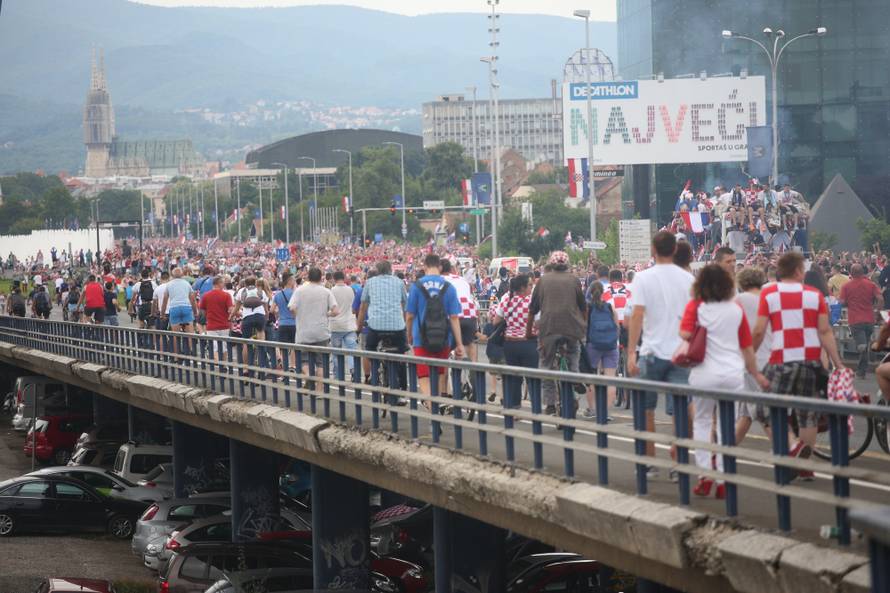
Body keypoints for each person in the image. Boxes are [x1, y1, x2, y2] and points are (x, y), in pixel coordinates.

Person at [752, 252, 846, 479]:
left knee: (766, 409)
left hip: (781, 360)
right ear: (796, 271)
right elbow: (825, 332)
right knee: (808, 415)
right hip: (811, 361)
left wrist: (748, 357)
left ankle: (793, 445)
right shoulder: (814, 295)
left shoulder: (769, 293)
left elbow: (759, 330)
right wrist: (838, 363)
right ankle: (805, 466)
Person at [680, 264, 769, 498]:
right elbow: (747, 347)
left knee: (702, 422)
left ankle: (705, 476)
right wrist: (756, 373)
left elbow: (685, 335)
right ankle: (723, 478)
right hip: (732, 375)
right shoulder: (735, 310)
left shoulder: (696, 307)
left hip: (704, 373)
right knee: (725, 424)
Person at [626, 231, 694, 473]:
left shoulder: (642, 278)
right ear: (675, 250)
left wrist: (631, 352)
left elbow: (637, 314)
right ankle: (679, 463)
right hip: (680, 352)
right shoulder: (688, 279)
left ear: (653, 250)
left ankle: (648, 462)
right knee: (679, 410)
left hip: (651, 351)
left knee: (646, 409)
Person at [526, 251, 586, 416]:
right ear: (567, 265)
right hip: (572, 329)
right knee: (574, 353)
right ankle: (574, 377)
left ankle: (551, 404)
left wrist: (528, 332)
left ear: (551, 265)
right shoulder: (574, 280)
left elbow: (532, 310)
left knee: (546, 365)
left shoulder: (543, 281)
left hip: (549, 329)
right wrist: (583, 326)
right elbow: (583, 307)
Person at [406, 253, 464, 401]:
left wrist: (409, 334)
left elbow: (410, 315)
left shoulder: (417, 286)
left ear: (424, 267)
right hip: (444, 338)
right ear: (439, 267)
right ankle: (438, 406)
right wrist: (459, 344)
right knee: (439, 375)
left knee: (424, 376)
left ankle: (433, 410)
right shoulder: (449, 287)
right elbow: (454, 317)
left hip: (421, 337)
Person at [734, 267, 771, 444]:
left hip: (750, 359)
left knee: (761, 411)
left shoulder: (739, 300)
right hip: (771, 356)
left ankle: (789, 447)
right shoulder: (769, 299)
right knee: (746, 414)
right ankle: (723, 452)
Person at [490, 274, 536, 408]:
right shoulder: (533, 300)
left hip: (510, 343)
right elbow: (539, 322)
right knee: (532, 377)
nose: (531, 288)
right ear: (522, 287)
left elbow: (496, 321)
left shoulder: (506, 298)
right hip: (529, 342)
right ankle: (536, 408)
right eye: (529, 285)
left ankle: (515, 408)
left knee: (514, 378)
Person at [357, 261, 409, 376]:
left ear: (377, 271)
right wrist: (404, 324)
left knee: (369, 349)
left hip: (376, 327)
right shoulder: (399, 282)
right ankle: (402, 374)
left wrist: (359, 327)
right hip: (397, 326)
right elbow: (405, 304)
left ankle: (375, 373)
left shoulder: (369, 283)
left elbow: (362, 308)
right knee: (402, 350)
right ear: (391, 270)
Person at [583, 280, 619, 418]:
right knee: (610, 380)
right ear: (603, 292)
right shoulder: (610, 308)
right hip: (611, 346)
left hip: (593, 345)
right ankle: (605, 412)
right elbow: (617, 328)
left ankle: (593, 410)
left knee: (591, 378)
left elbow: (585, 327)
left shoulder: (588, 309)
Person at [839, 264, 883, 378]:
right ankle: (861, 371)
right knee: (865, 343)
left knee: (861, 346)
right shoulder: (871, 284)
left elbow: (842, 302)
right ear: (863, 272)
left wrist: (848, 302)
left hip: (855, 319)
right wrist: (877, 312)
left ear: (851, 273)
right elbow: (880, 298)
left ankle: (862, 365)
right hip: (869, 319)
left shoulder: (846, 286)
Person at [442, 258, 480, 362]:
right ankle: (474, 367)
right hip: (470, 311)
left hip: (455, 312)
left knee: (450, 344)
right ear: (451, 269)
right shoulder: (462, 279)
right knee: (470, 342)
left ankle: (454, 364)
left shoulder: (440, 280)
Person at [288, 267, 338, 347]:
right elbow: (335, 311)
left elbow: (292, 308)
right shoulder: (326, 291)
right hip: (321, 333)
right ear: (321, 278)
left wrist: (298, 317)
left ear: (308, 277)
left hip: (303, 334)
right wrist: (327, 314)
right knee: (321, 359)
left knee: (304, 359)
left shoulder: (299, 290)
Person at [329, 271, 359, 375]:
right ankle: (353, 369)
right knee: (352, 350)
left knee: (336, 353)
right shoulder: (350, 289)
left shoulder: (332, 290)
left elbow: (330, 308)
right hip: (349, 324)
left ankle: (338, 375)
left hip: (336, 325)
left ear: (334, 278)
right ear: (344, 278)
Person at [198, 276, 234, 360]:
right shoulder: (226, 295)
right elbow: (230, 310)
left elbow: (202, 309)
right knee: (224, 347)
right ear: (219, 284)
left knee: (214, 347)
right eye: (223, 282)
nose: (224, 284)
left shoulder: (206, 295)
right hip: (224, 324)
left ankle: (218, 365)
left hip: (211, 325)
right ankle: (224, 366)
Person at [161, 268, 197, 333]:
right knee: (190, 334)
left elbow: (164, 301)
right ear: (182, 275)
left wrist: (162, 314)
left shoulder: (169, 284)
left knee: (175, 335)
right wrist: (195, 312)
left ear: (172, 275)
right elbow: (193, 299)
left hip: (174, 308)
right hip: (186, 308)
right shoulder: (187, 283)